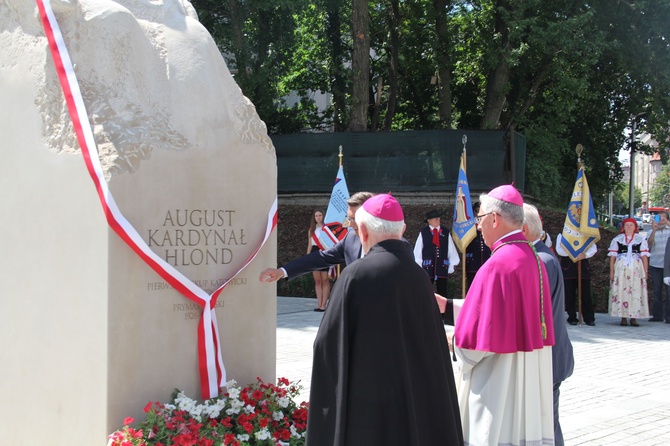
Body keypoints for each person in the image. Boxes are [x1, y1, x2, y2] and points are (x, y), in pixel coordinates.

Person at [305, 194, 463, 446]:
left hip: (367, 406)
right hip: (412, 403)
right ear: (402, 230)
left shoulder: (355, 275)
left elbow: (326, 344)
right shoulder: (420, 277)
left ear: (363, 231)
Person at [440, 184, 555, 446]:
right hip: (527, 375)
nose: (478, 227)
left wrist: (455, 343)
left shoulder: (497, 265)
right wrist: (447, 305)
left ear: (494, 218)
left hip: (498, 381)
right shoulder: (533, 258)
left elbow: (478, 340)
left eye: (479, 219)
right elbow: (498, 311)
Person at [522, 203, 574, 446]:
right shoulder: (542, 255)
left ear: (524, 229)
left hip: (547, 359)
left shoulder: (540, 260)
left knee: (546, 427)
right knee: (547, 424)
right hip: (551, 356)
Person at [259, 192, 374, 284]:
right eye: (349, 219)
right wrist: (282, 271)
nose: (350, 224)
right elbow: (321, 257)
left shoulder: (389, 243)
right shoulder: (351, 239)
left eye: (355, 219)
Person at [608, 217, 650, 326]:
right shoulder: (618, 239)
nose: (629, 227)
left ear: (635, 227)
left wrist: (645, 271)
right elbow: (612, 257)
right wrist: (612, 272)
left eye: (631, 225)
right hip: (621, 270)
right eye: (627, 225)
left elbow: (644, 256)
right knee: (622, 290)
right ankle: (623, 316)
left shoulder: (640, 239)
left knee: (635, 292)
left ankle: (634, 317)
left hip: (636, 270)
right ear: (623, 227)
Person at [413, 209, 460, 297]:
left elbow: (451, 249)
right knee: (426, 291)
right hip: (427, 267)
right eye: (435, 218)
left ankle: (442, 310)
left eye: (438, 218)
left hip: (442, 266)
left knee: (442, 292)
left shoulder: (445, 232)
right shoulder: (424, 233)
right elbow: (418, 251)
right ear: (429, 221)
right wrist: (420, 265)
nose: (437, 220)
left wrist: (451, 264)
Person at [555, 232, 597, 326]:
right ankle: (572, 317)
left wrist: (585, 255)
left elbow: (593, 248)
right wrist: (572, 253)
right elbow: (559, 250)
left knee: (585, 293)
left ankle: (589, 318)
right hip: (568, 267)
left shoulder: (586, 232)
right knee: (569, 294)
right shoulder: (562, 234)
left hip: (582, 266)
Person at [647, 211, 670, 322]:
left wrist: (668, 223)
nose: (661, 220)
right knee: (657, 291)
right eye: (658, 218)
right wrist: (654, 231)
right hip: (655, 264)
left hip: (668, 266)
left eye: (663, 218)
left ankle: (669, 316)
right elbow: (649, 244)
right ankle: (657, 315)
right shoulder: (651, 231)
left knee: (669, 291)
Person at [307, 210, 330, 312]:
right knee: (317, 281)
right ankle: (319, 304)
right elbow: (310, 244)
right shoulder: (311, 230)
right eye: (316, 216)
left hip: (324, 252)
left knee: (324, 280)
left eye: (320, 215)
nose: (318, 217)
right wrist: (307, 257)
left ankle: (324, 304)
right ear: (314, 218)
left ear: (323, 216)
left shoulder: (327, 228)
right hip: (314, 253)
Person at [464, 201, 491, 290]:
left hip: (486, 259)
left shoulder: (488, 224)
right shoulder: (469, 226)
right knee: (472, 286)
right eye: (476, 211)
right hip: (473, 260)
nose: (478, 213)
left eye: (480, 211)